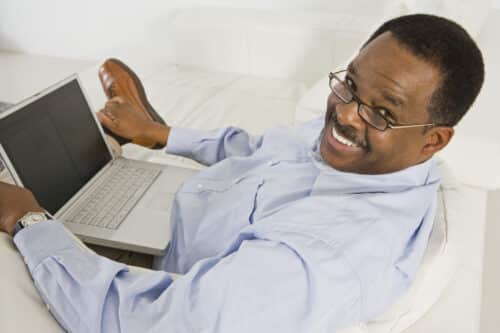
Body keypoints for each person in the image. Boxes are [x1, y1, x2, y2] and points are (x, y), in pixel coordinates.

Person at [0, 14, 484, 332]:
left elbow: (149, 320)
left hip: (161, 271)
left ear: (434, 141)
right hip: (185, 203)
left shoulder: (315, 264)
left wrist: (30, 223)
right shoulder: (360, 156)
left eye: (382, 112)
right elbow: (262, 150)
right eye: (350, 84)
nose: (347, 114)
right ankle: (146, 127)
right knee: (75, 142)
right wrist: (164, 136)